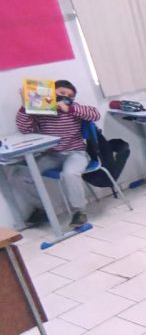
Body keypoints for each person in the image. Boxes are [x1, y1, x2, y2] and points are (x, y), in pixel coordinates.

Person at [13, 79, 100, 228]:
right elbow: (25, 129)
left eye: (70, 95)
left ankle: (79, 211)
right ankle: (43, 208)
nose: (66, 96)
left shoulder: (74, 108)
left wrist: (69, 109)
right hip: (51, 155)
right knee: (20, 175)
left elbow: (95, 115)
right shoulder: (42, 111)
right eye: (62, 93)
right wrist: (26, 105)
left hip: (76, 153)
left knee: (70, 174)